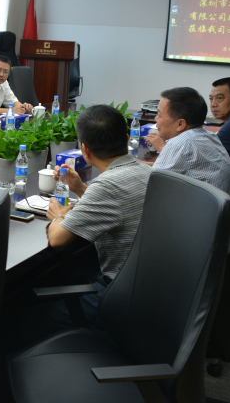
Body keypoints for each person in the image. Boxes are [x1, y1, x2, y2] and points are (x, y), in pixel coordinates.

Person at [44, 104, 153, 331]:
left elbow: (57, 239)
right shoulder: (147, 171)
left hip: (119, 294)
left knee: (26, 316)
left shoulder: (106, 185)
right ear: (126, 138)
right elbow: (117, 206)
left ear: (84, 150)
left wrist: (58, 216)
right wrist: (80, 188)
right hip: (147, 288)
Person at [145, 87, 230, 207]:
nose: (156, 119)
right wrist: (139, 164)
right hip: (219, 214)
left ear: (180, 124)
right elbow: (173, 168)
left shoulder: (180, 144)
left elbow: (150, 185)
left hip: (199, 216)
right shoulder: (208, 135)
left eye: (159, 114)